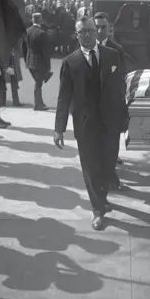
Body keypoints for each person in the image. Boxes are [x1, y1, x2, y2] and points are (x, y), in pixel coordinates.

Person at [54, 16, 128, 231]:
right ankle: (98, 209)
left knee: (107, 165)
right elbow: (63, 97)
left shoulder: (112, 56)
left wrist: (125, 119)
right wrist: (59, 129)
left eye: (90, 31)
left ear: (97, 32)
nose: (86, 35)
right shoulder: (70, 62)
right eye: (81, 32)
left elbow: (121, 89)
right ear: (76, 35)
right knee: (91, 169)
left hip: (110, 123)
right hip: (85, 125)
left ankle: (102, 197)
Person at [94, 11, 127, 190]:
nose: (99, 31)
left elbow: (121, 77)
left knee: (111, 145)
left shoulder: (117, 49)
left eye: (103, 27)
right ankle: (102, 178)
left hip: (111, 106)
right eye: (96, 27)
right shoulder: (85, 48)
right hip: (92, 107)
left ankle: (110, 173)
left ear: (110, 28)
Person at [23, 13, 52, 111]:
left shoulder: (27, 31)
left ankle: (40, 102)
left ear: (32, 20)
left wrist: (25, 60)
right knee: (38, 84)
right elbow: (45, 52)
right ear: (40, 20)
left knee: (37, 82)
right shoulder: (42, 33)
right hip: (39, 61)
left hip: (29, 60)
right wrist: (48, 67)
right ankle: (38, 105)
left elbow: (24, 48)